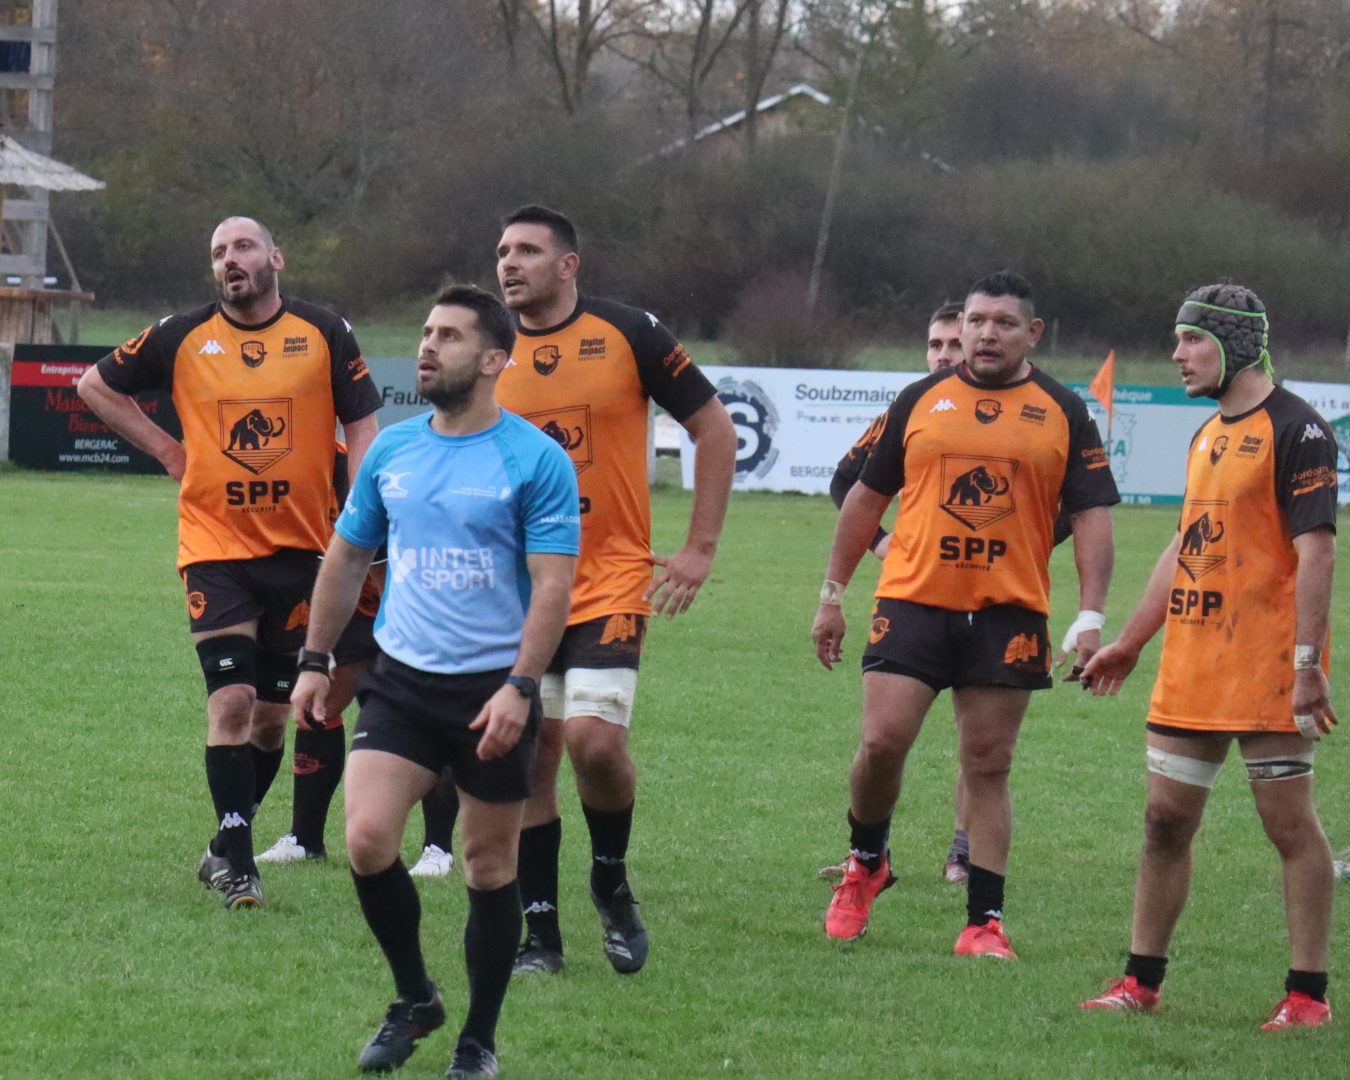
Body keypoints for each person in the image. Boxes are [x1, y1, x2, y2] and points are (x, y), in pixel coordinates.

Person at [290, 285, 579, 1077]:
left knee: (488, 867)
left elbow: (553, 586)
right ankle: (415, 996)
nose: (426, 346)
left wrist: (522, 686)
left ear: (492, 360)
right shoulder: (392, 451)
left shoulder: (535, 459)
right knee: (366, 839)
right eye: (425, 332)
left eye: (448, 335)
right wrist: (315, 659)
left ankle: (477, 1042)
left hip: (493, 690)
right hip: (403, 682)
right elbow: (347, 558)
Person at [77, 216, 381, 909]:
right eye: (218, 253)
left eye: (242, 247)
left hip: (305, 551)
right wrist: (167, 450)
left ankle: (224, 841)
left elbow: (362, 424)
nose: (229, 260)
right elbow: (95, 385)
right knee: (233, 701)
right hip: (215, 549)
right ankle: (241, 866)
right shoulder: (182, 335)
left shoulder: (324, 331)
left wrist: (360, 509)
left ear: (275, 257)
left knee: (272, 718)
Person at [812, 271, 1118, 955]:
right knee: (881, 743)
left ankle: (984, 921)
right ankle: (866, 861)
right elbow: (863, 498)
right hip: (913, 601)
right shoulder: (920, 399)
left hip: (1009, 613)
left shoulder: (1064, 409)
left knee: (987, 764)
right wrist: (832, 596)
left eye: (1003, 323)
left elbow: (1092, 516)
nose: (986, 334)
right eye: (976, 321)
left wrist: (1090, 613)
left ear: (1032, 333)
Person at [1080, 284, 1338, 1029]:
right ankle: (1141, 983)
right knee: (1164, 821)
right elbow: (1185, 545)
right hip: (1194, 662)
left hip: (1266, 667)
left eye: (1191, 339)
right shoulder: (1207, 435)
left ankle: (1307, 997)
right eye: (1178, 339)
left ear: (1235, 345)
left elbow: (1318, 553)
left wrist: (1307, 664)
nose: (1178, 355)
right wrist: (1131, 642)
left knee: (1289, 827)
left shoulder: (1299, 430)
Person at [492, 204, 737, 976]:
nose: (509, 263)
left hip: (611, 580)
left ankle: (609, 879)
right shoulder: (486, 348)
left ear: (568, 265)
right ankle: (541, 939)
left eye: (527, 250)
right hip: (517, 590)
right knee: (530, 759)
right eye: (502, 251)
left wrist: (699, 548)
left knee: (594, 744)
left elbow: (715, 429)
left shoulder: (629, 332)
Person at [255, 445, 390, 866]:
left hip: (395, 599)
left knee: (424, 713)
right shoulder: (278, 469)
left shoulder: (350, 464)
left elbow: (380, 552)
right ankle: (305, 839)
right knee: (318, 706)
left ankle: (437, 847)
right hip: (342, 605)